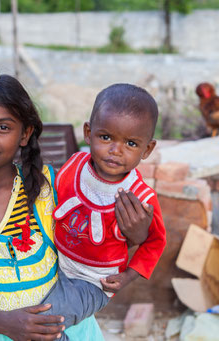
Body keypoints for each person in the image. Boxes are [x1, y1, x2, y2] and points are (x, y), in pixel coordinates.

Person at [0, 74, 148, 341]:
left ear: (25, 134)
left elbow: (103, 246)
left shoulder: (51, 186)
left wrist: (138, 233)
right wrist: (4, 324)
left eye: (2, 127)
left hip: (69, 332)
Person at [40, 83, 166, 338]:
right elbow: (50, 199)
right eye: (106, 137)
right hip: (56, 264)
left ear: (147, 150)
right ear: (88, 133)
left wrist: (128, 276)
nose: (115, 150)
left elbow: (156, 242)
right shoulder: (74, 166)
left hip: (93, 282)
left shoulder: (140, 198)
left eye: (131, 143)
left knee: (41, 324)